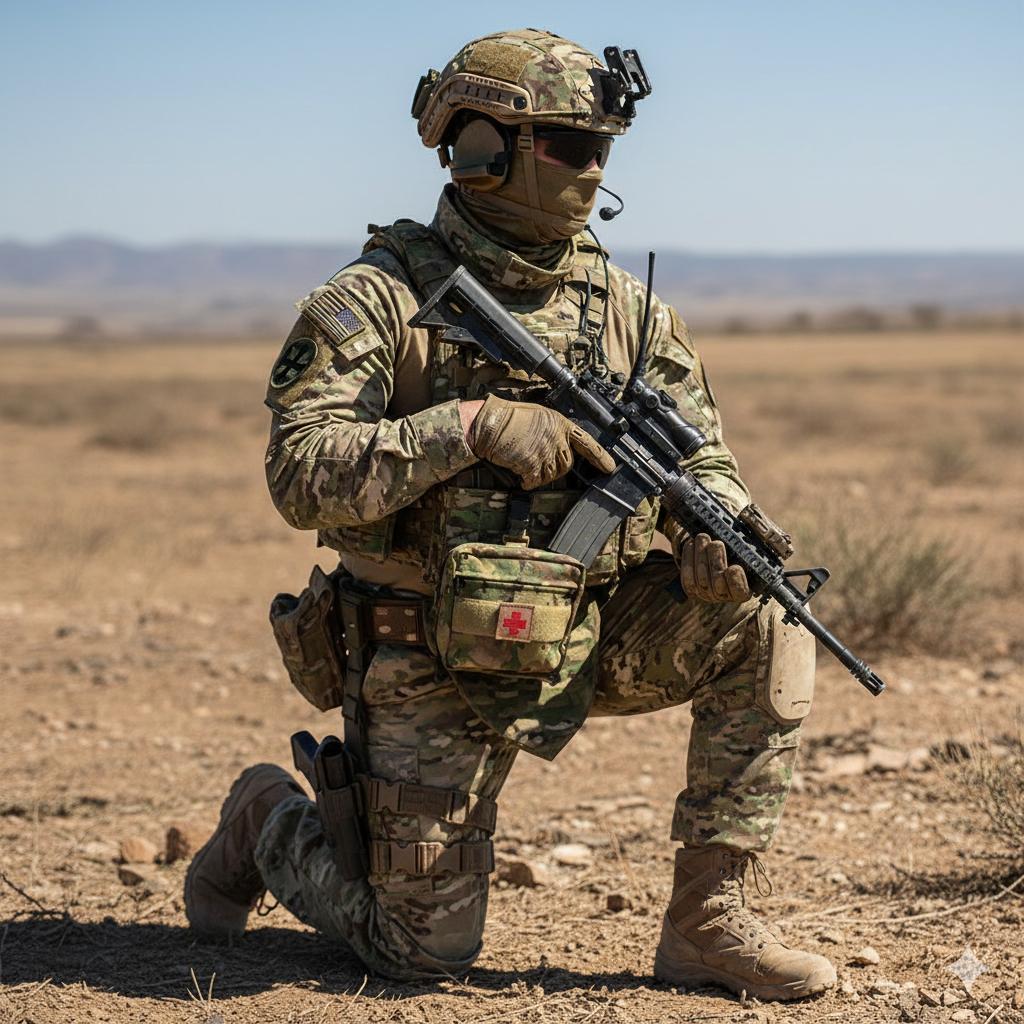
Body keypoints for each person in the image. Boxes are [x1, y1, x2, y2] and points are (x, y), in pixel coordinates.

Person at [184, 28, 835, 1001]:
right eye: (571, 144)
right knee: (421, 953)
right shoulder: (376, 301)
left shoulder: (628, 311)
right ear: (481, 146)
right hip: (427, 651)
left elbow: (699, 454)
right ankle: (266, 818)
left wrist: (719, 527)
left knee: (768, 617)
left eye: (603, 146)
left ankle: (707, 923)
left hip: (584, 625)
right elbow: (301, 474)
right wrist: (472, 427)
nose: (594, 167)